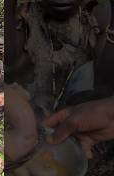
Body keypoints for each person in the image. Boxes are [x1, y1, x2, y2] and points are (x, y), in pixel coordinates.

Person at [7, 0, 114, 162]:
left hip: (76, 119)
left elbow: (101, 77)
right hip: (34, 114)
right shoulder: (24, 12)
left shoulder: (98, 14)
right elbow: (10, 59)